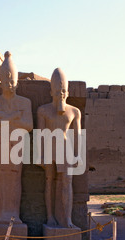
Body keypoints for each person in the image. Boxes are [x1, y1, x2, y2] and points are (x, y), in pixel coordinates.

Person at [0, 51, 33, 225]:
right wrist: (10, 118)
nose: (9, 85)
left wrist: (8, 118)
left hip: (17, 144)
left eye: (12, 81)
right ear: (1, 82)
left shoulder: (24, 102)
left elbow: (29, 126)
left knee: (14, 178)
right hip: (0, 143)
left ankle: (14, 215)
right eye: (6, 82)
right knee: (2, 177)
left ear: (17, 82)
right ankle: (3, 215)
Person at [37, 68, 82, 228]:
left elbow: (77, 136)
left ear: (67, 92)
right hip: (50, 147)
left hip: (66, 148)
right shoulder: (43, 110)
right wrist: (40, 155)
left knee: (67, 182)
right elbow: (40, 134)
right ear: (51, 92)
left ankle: (67, 218)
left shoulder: (74, 111)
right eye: (57, 91)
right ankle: (50, 217)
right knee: (49, 181)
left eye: (63, 91)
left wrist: (78, 155)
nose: (61, 94)